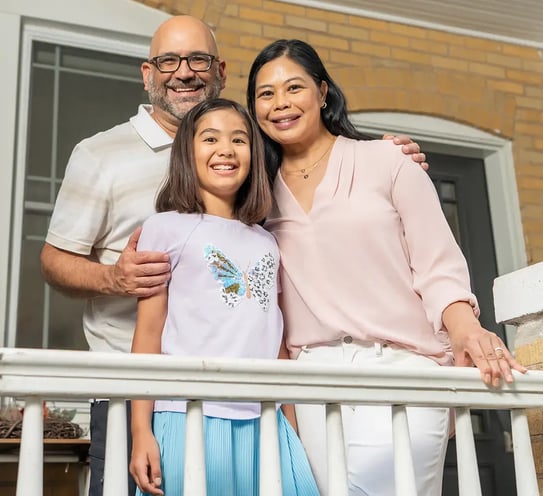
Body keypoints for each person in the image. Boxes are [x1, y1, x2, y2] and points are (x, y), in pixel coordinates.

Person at [39, 14, 424, 496]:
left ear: (219, 70)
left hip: (255, 405)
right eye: (168, 61)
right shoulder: (102, 155)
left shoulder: (261, 157)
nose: (184, 71)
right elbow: (55, 261)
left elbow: (314, 153)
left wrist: (384, 157)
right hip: (146, 394)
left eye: (198, 59)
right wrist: (116, 279)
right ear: (147, 73)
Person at [246, 39, 527, 496]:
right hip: (313, 378)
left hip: (404, 366)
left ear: (322, 92)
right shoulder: (256, 196)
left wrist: (466, 329)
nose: (280, 104)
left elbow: (436, 264)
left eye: (293, 87)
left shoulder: (387, 161)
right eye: (265, 94)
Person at [129, 97, 319, 496]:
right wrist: (141, 431)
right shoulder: (165, 228)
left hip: (264, 418)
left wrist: (292, 427)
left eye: (239, 140)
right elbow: (147, 336)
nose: (226, 150)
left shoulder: (267, 242)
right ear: (187, 151)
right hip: (187, 415)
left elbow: (276, 342)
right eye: (210, 138)